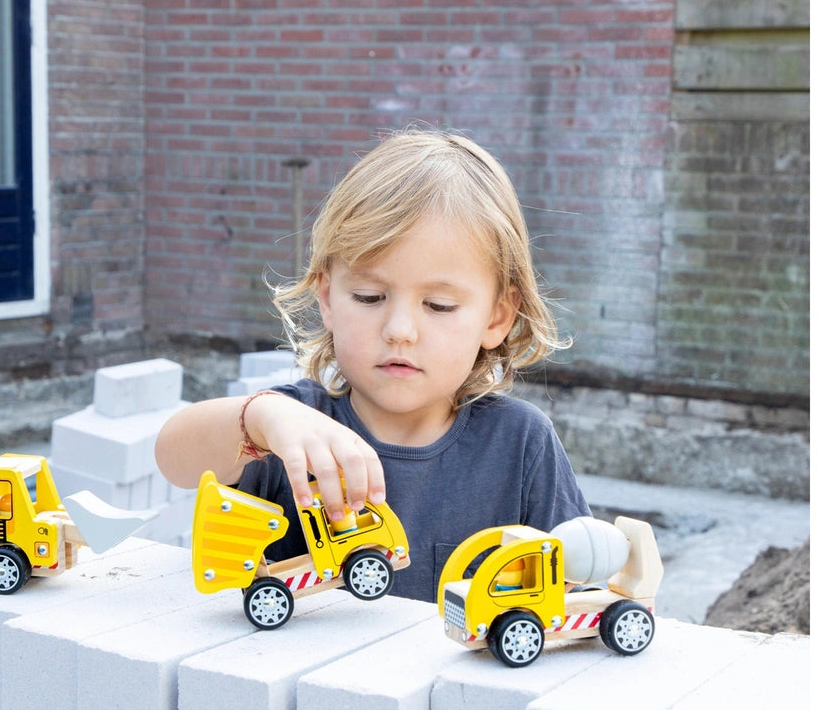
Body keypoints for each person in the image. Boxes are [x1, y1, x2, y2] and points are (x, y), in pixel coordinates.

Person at [155, 127, 590, 602]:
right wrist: (260, 418)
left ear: (497, 317)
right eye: (368, 296)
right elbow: (172, 457)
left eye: (439, 305)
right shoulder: (292, 429)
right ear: (327, 299)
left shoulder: (520, 443)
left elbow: (574, 583)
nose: (400, 330)